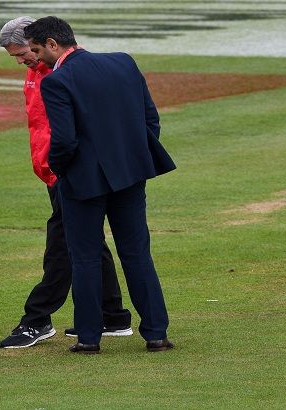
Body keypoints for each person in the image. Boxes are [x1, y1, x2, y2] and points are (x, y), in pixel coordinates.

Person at [24, 16, 176, 354]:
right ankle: (156, 333)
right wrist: (132, 159)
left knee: (86, 258)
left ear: (53, 43)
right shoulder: (123, 62)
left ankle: (89, 338)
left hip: (83, 183)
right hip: (130, 177)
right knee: (137, 254)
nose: (35, 59)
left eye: (36, 50)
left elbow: (63, 141)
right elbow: (150, 119)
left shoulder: (57, 81)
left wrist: (62, 172)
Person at [0, 17, 132, 349]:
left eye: (23, 52)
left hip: (66, 172)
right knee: (88, 242)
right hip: (52, 171)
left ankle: (37, 319)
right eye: (15, 56)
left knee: (62, 245)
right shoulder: (36, 72)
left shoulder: (63, 74)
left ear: (40, 42)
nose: (21, 60)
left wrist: (58, 168)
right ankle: (113, 316)